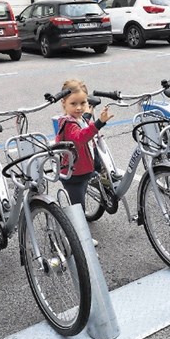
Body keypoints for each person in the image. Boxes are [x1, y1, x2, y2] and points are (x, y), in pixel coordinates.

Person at [56, 80, 114, 231]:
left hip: (84, 170)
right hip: (73, 175)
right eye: (73, 103)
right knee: (78, 210)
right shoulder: (68, 123)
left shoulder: (79, 119)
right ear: (64, 103)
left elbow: (86, 129)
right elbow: (80, 138)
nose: (79, 107)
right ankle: (80, 240)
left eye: (83, 103)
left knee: (79, 204)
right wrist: (99, 123)